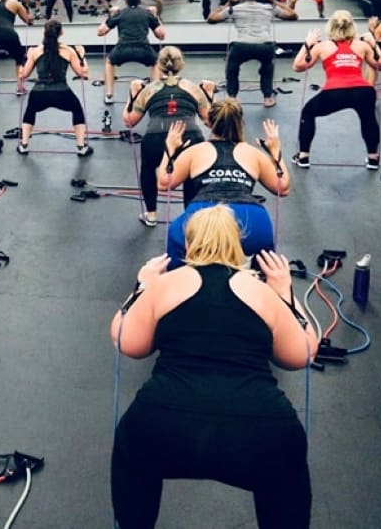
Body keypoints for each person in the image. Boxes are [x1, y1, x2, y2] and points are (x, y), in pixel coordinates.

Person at [110, 205, 316, 529]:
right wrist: (285, 293)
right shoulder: (262, 293)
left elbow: (126, 341)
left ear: (188, 243)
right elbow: (302, 353)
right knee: (286, 464)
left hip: (163, 425)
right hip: (260, 432)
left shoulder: (165, 286)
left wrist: (142, 286)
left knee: (131, 443)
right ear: (237, 244)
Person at [159, 100, 290, 266]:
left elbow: (164, 183)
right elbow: (282, 187)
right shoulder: (252, 153)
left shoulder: (195, 151)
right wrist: (275, 150)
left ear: (209, 123)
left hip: (203, 215)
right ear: (241, 123)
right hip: (251, 219)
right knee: (262, 272)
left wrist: (170, 148)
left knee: (177, 246)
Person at [123, 47, 212, 228]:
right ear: (182, 64)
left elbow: (129, 121)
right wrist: (210, 95)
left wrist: (131, 95)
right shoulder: (194, 89)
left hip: (155, 138)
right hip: (190, 136)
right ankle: (190, 218)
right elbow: (210, 121)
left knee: (148, 169)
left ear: (159, 65)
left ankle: (151, 215)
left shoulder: (149, 90)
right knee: (191, 172)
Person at [292, 11, 381, 170]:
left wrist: (307, 43)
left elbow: (297, 66)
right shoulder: (361, 45)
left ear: (330, 27)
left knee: (308, 113)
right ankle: (373, 159)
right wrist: (373, 43)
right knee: (368, 118)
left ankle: (303, 157)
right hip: (362, 91)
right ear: (352, 27)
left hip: (335, 92)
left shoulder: (322, 47)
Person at [206, 0, 297, 107]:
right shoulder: (269, 7)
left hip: (242, 46)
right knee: (267, 67)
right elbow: (293, 15)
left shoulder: (234, 9)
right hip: (264, 46)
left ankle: (232, 97)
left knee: (232, 67)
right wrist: (275, 1)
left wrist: (228, 3)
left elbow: (211, 19)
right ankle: (268, 98)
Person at [16, 20, 92, 156]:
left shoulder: (36, 51)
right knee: (77, 109)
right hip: (61, 93)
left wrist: (25, 58)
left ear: (44, 32)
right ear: (61, 32)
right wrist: (82, 56)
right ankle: (81, 147)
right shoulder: (68, 51)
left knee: (30, 110)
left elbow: (23, 75)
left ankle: (24, 145)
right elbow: (83, 74)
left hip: (39, 93)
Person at [97, 0, 166, 105]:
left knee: (109, 62)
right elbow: (161, 35)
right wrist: (156, 16)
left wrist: (111, 15)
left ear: (126, 2)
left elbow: (100, 32)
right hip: (143, 50)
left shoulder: (121, 13)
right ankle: (153, 95)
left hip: (122, 49)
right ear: (139, 1)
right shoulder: (146, 13)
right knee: (156, 62)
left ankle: (109, 95)